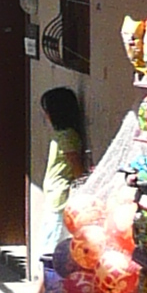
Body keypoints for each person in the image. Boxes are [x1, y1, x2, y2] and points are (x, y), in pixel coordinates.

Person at [40, 85, 88, 220]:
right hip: (55, 194)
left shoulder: (66, 137)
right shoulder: (62, 135)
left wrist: (82, 190)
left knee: (51, 239)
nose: (46, 115)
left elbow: (75, 163)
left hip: (60, 196)